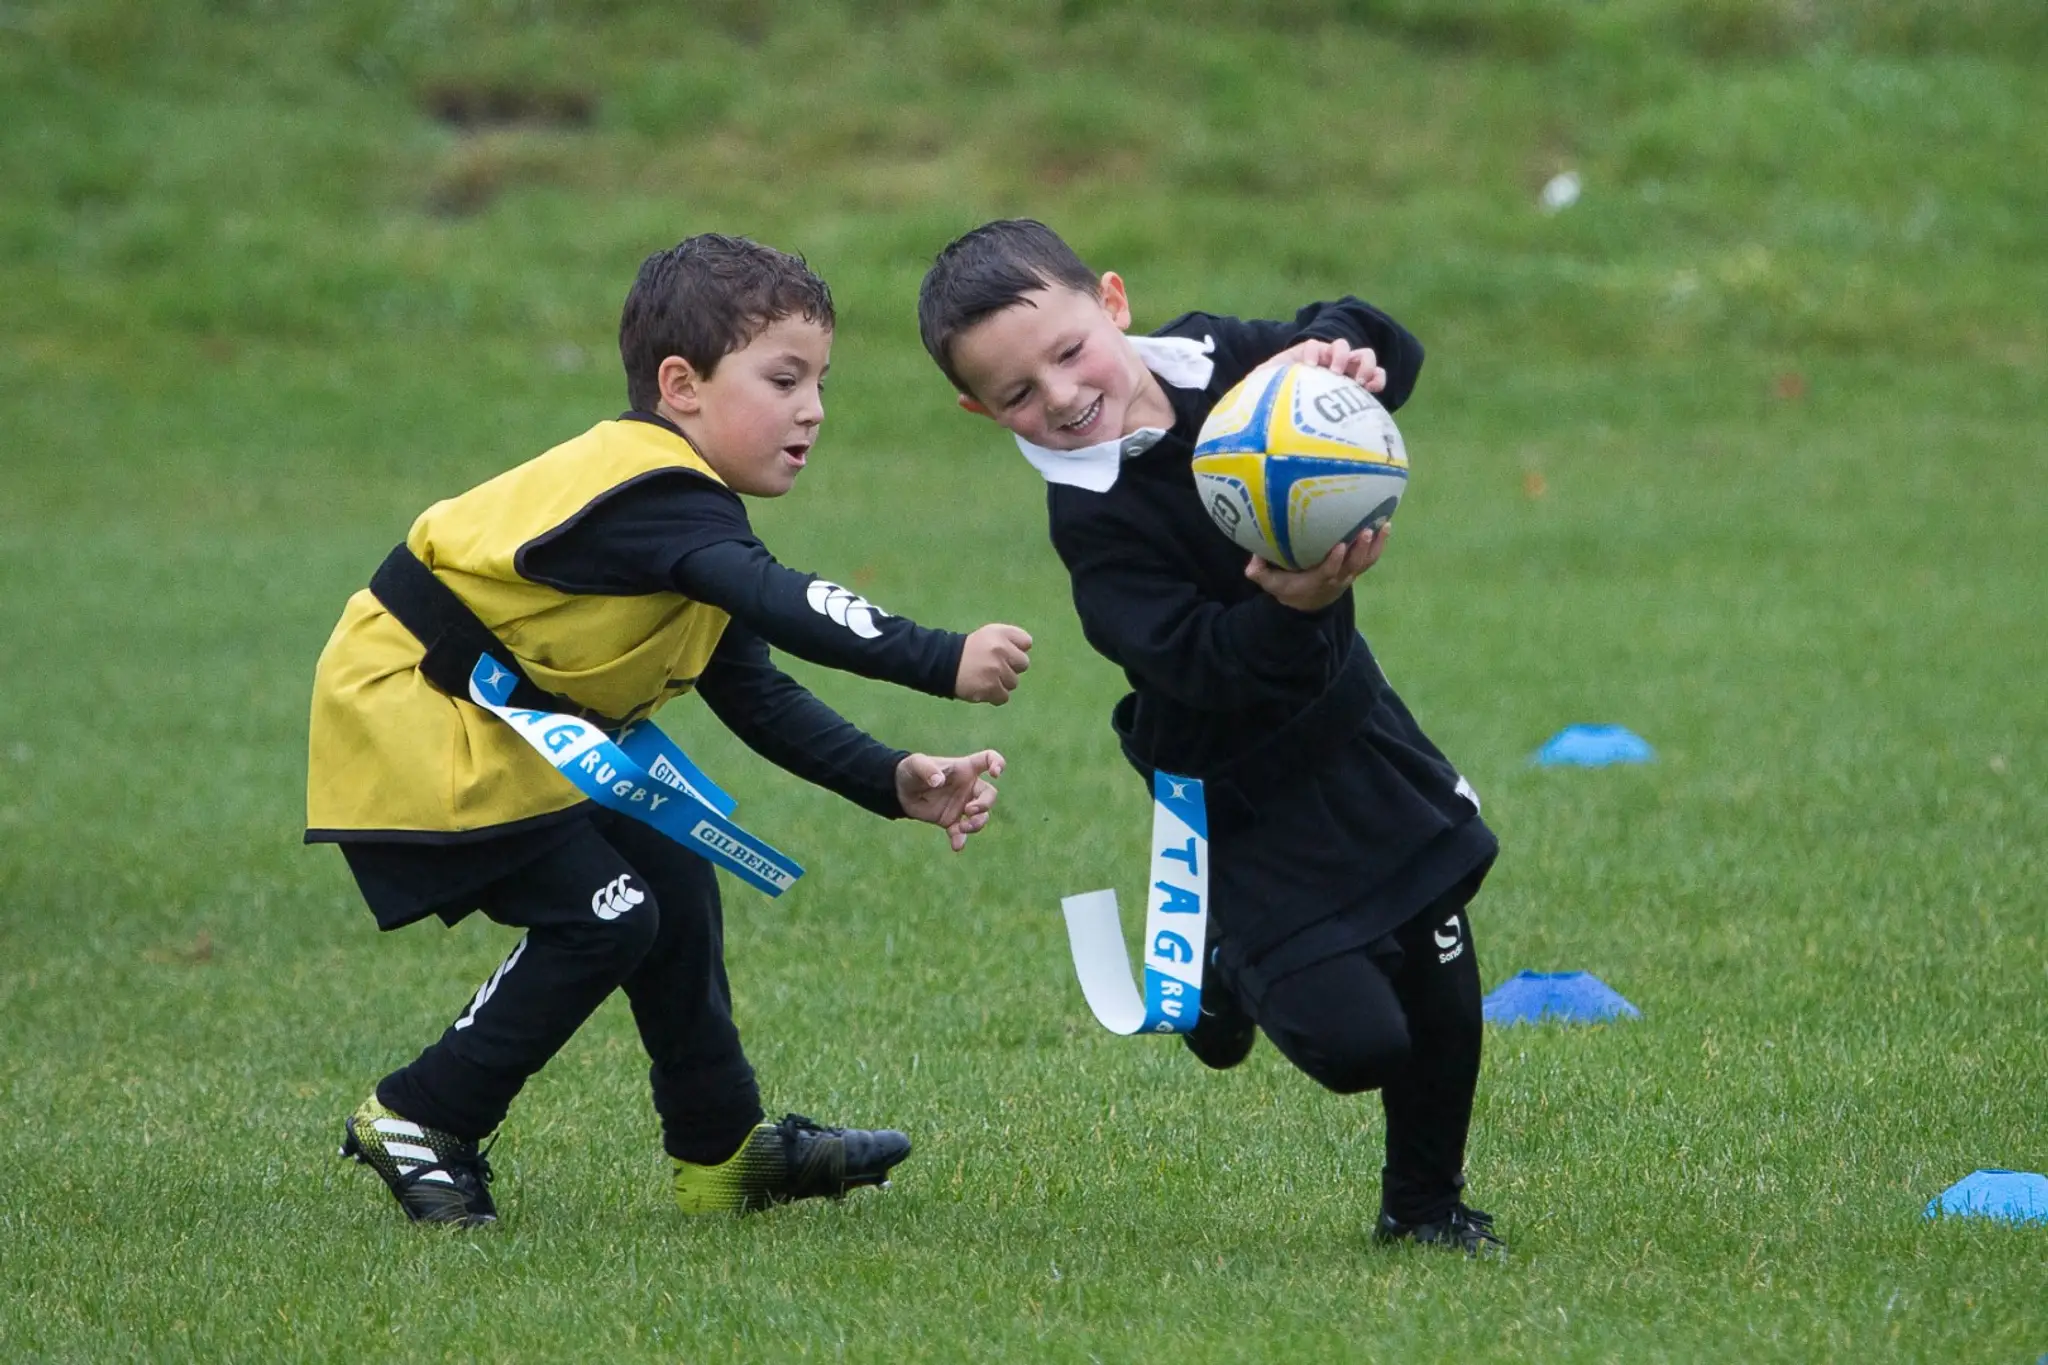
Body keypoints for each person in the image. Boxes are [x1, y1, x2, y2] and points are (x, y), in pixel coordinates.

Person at [308, 233, 1033, 1227]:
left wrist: (891, 778)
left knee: (673, 873)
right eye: (783, 378)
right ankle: (420, 1115)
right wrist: (940, 658)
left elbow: (756, 692)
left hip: (500, 720)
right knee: (607, 911)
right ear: (680, 384)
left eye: (820, 380)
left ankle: (721, 1154)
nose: (812, 408)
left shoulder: (691, 525)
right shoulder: (652, 495)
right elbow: (784, 602)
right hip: (418, 715)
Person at [916, 219, 1503, 1254]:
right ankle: (1225, 962)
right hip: (1238, 789)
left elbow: (1379, 355)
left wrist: (1338, 351)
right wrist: (1291, 605)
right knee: (1357, 1043)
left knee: (1443, 992)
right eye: (1015, 394)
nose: (1058, 396)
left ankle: (1422, 1210)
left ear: (1112, 302)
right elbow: (1204, 667)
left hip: (1352, 727)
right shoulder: (1094, 525)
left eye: (1066, 352)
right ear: (976, 409)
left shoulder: (1223, 362)